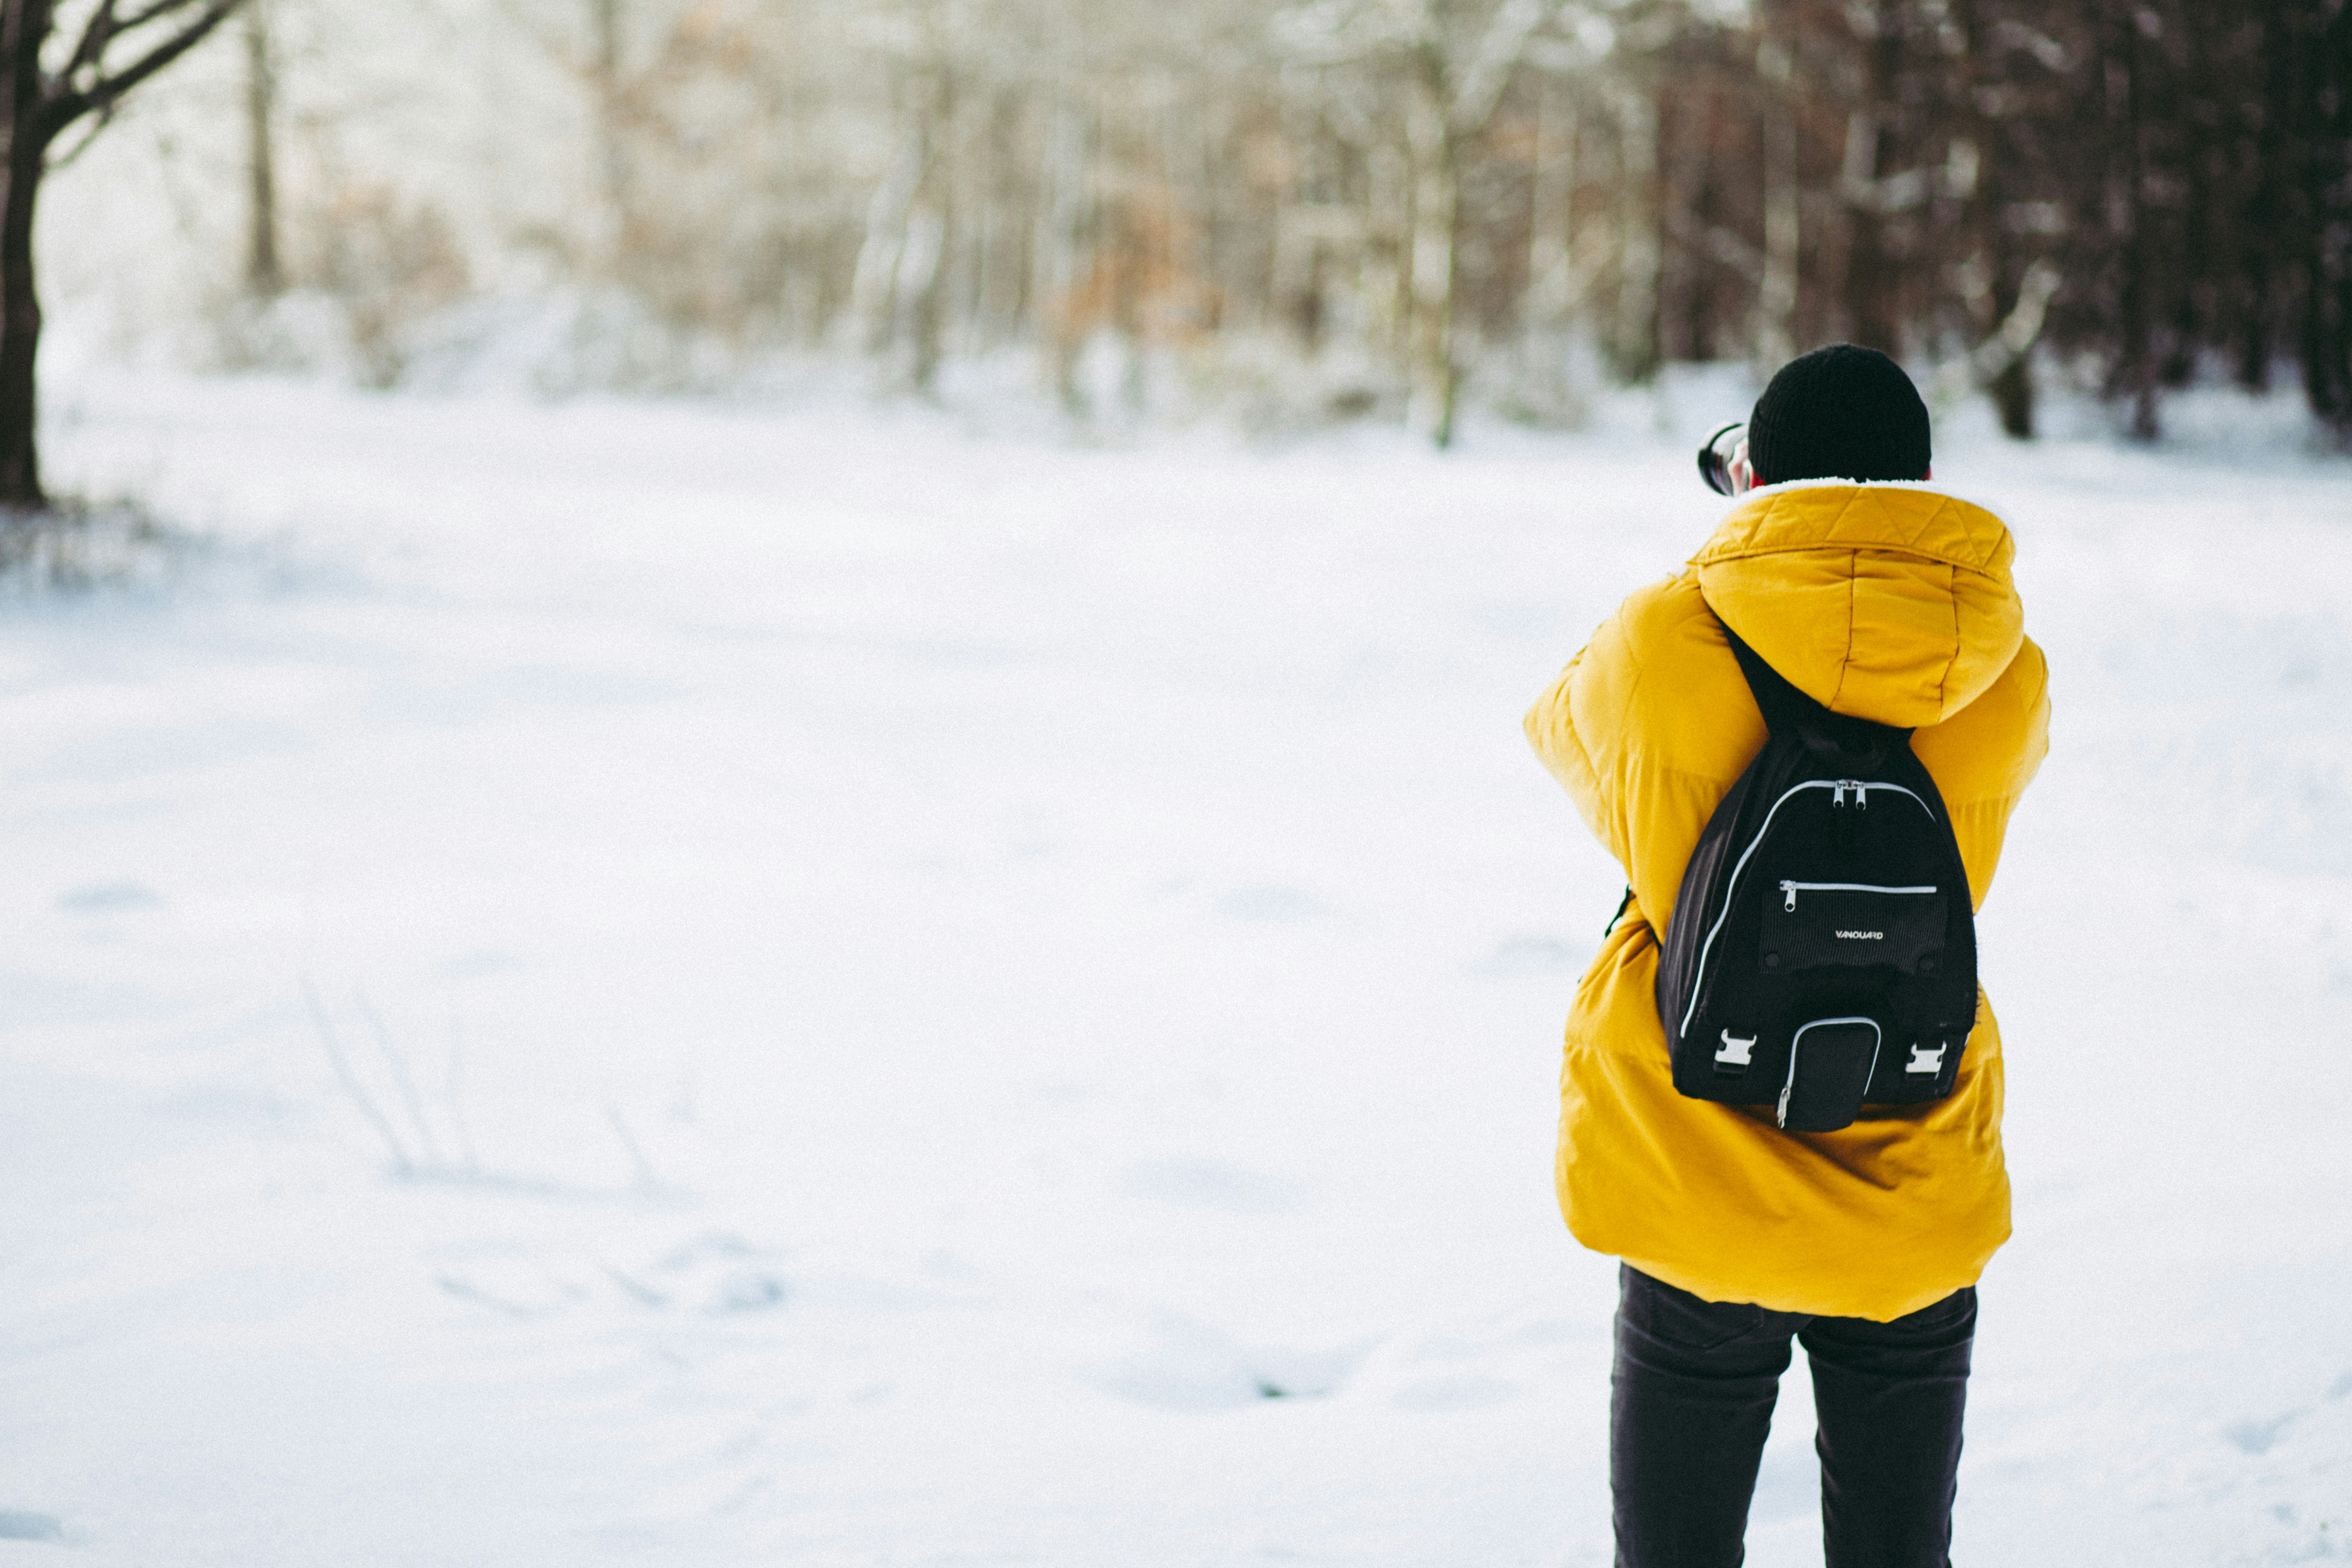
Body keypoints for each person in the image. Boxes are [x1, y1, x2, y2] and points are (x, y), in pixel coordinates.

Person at [1523, 343, 2051, 1567]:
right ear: (1922, 479)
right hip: (1912, 1175)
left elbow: (1561, 728)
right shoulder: (2002, 669)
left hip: (1694, 1168)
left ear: (1755, 476)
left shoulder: (1664, 639)